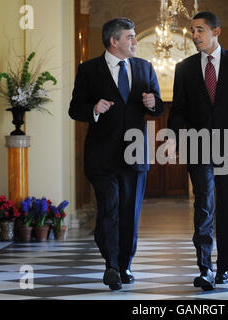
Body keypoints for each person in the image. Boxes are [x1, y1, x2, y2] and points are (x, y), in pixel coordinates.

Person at [167, 11, 228, 291]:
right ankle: (204, 267)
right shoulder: (184, 68)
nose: (194, 35)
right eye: (192, 30)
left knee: (227, 210)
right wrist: (172, 136)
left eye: (200, 30)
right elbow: (178, 110)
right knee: (203, 206)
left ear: (216, 32)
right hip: (198, 147)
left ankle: (223, 268)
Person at [69, 18, 164, 291]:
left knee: (129, 212)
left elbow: (157, 107)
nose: (135, 41)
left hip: (136, 155)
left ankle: (125, 264)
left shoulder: (145, 67)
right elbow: (75, 109)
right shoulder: (88, 70)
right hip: (102, 156)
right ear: (114, 41)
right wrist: (94, 109)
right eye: (130, 36)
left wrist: (153, 103)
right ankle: (111, 265)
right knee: (109, 209)